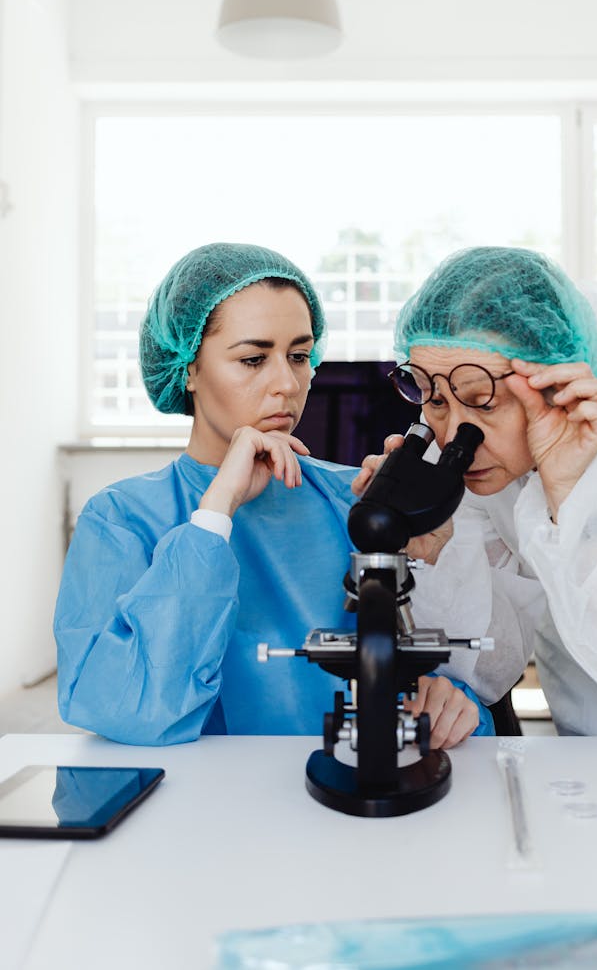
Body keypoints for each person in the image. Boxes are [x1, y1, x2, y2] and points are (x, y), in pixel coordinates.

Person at [54, 242, 492, 746]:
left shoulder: (357, 501)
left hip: (345, 802)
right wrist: (215, 514)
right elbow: (124, 709)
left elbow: (438, 681)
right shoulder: (121, 519)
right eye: (254, 358)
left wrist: (448, 700)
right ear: (188, 368)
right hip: (194, 811)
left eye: (300, 356)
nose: (287, 383)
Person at [355, 246, 597, 737]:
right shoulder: (476, 458)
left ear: (550, 379)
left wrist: (566, 489)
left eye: (482, 399)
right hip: (587, 725)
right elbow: (488, 668)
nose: (455, 435)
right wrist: (436, 554)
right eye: (431, 398)